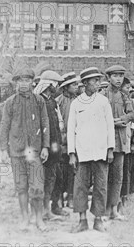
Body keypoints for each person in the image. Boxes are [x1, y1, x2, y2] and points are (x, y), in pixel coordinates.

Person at [0, 68, 50, 231]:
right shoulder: (10, 102)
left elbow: (45, 124)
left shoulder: (39, 101)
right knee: (21, 187)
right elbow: (5, 126)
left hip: (34, 152)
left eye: (27, 80)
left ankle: (38, 219)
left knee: (37, 187)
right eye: (20, 80)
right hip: (16, 151)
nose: (23, 83)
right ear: (16, 83)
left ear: (32, 82)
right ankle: (24, 219)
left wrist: (46, 147)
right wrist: (4, 149)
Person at [67, 67, 115, 233]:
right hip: (82, 152)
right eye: (94, 80)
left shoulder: (103, 101)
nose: (97, 83)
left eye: (98, 80)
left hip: (101, 151)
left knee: (101, 186)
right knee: (80, 186)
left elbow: (110, 126)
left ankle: (98, 220)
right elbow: (70, 129)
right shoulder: (76, 103)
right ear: (85, 83)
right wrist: (72, 153)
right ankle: (82, 220)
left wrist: (110, 149)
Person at [103, 65, 134, 221]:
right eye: (115, 76)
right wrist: (112, 122)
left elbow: (132, 114)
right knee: (104, 176)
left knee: (118, 176)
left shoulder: (124, 96)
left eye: (121, 76)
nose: (118, 79)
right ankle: (103, 210)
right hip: (104, 141)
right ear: (108, 77)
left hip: (121, 142)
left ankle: (114, 210)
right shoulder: (102, 95)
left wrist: (123, 119)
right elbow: (97, 116)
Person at [34, 70, 64, 222]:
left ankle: (48, 209)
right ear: (48, 84)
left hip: (54, 148)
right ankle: (42, 211)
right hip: (43, 149)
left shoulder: (52, 102)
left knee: (53, 179)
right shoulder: (38, 101)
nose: (57, 87)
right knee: (42, 180)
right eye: (56, 84)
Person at [52, 72, 80, 213]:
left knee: (73, 170)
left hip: (75, 141)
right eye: (74, 85)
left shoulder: (79, 101)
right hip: (61, 142)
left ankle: (70, 197)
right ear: (66, 87)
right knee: (60, 171)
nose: (77, 87)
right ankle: (59, 200)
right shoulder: (58, 102)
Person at [119, 78, 134, 213]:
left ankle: (125, 195)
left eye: (130, 90)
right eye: (127, 89)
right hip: (119, 142)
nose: (129, 92)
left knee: (127, 170)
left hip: (128, 142)